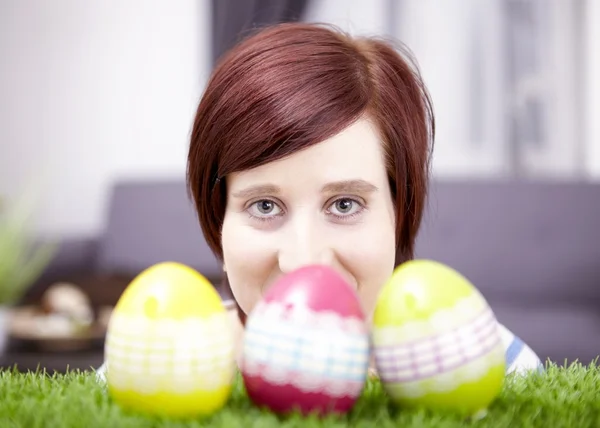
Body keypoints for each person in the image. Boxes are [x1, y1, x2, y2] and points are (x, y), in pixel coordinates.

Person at [96, 22, 541, 382]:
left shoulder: (488, 364)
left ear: (398, 213)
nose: (304, 261)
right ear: (219, 223)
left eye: (345, 204)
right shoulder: (152, 365)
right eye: (265, 206)